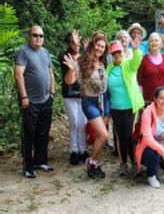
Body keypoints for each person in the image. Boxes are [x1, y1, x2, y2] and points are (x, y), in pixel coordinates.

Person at [63, 32, 110, 179]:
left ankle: (95, 166)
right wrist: (71, 69)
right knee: (104, 135)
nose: (100, 49)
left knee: (99, 136)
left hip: (102, 101)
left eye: (103, 47)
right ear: (92, 45)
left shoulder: (102, 63)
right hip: (89, 102)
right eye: (98, 45)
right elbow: (69, 81)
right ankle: (91, 161)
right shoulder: (83, 62)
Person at [14, 26, 56, 178]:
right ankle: (28, 167)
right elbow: (19, 75)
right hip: (30, 101)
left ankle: (41, 161)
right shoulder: (23, 52)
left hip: (45, 100)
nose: (38, 38)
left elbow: (50, 73)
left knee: (43, 133)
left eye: (41, 35)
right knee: (28, 135)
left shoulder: (44, 52)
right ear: (29, 36)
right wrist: (24, 97)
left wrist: (52, 93)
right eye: (35, 35)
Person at [107, 38, 144, 176]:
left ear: (123, 52)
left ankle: (135, 163)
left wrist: (135, 49)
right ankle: (123, 164)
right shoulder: (109, 68)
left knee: (130, 136)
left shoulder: (129, 65)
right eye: (114, 53)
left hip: (130, 107)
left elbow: (137, 60)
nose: (117, 55)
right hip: (115, 108)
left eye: (119, 52)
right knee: (120, 137)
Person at [59, 30, 88, 165]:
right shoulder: (64, 56)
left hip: (83, 94)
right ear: (69, 43)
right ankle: (73, 150)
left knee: (83, 123)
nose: (76, 44)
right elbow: (69, 80)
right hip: (69, 94)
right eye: (73, 42)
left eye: (78, 41)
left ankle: (83, 150)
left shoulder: (83, 56)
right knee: (74, 123)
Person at [138, 32, 164, 104]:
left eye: (156, 40)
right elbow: (139, 79)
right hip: (148, 99)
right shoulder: (144, 59)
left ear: (160, 43)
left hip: (162, 98)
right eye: (151, 41)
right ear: (148, 44)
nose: (154, 43)